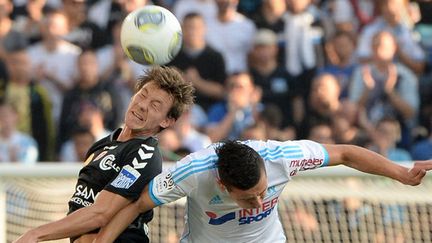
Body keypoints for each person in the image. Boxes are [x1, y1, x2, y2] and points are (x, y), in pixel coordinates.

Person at [93, 140, 432, 243]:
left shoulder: (283, 158)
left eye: (262, 192)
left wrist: (401, 173)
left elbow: (346, 153)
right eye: (248, 198)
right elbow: (136, 204)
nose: (258, 202)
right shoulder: (192, 173)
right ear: (223, 186)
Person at [13, 66, 195, 243]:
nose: (142, 106)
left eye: (155, 106)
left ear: (166, 120)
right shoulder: (101, 145)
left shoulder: (144, 152)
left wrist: (35, 234)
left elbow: (101, 214)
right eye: (143, 95)